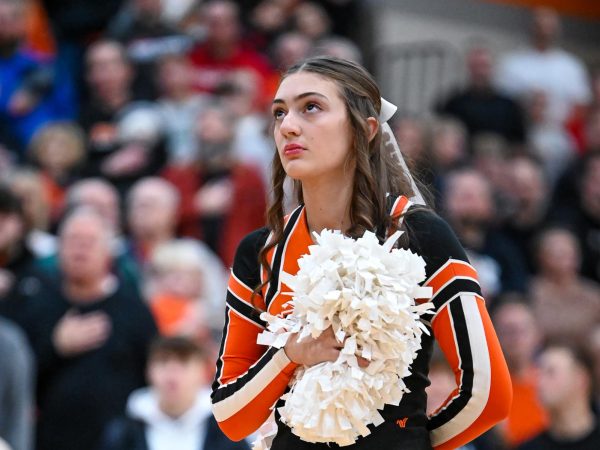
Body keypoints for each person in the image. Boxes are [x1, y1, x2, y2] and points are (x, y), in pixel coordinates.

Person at [210, 56, 512, 449]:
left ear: (365, 130)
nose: (288, 126)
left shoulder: (418, 233)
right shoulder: (260, 251)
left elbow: (487, 395)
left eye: (311, 107)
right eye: (279, 112)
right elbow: (231, 418)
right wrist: (290, 354)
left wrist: (408, 440)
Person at [17, 207, 157, 450]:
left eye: (90, 241)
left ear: (108, 252)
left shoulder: (134, 310)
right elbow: (14, 380)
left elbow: (152, 377)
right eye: (73, 240)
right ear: (58, 249)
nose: (80, 248)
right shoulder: (35, 303)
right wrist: (55, 346)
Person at [99, 336, 250, 450]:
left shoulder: (228, 432)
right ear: (148, 371)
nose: (172, 374)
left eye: (183, 363)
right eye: (163, 362)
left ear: (203, 372)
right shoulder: (123, 432)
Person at [517, 343, 600, 450]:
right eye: (539, 374)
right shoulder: (528, 447)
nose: (540, 382)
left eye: (551, 372)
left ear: (581, 379)